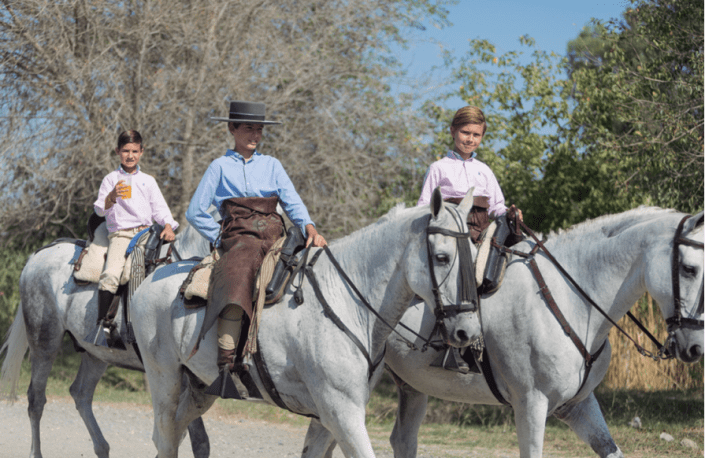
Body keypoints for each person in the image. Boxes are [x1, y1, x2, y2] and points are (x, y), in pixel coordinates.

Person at [186, 100, 326, 397]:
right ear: (232, 129)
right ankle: (226, 364)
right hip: (238, 234)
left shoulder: (272, 165)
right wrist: (219, 236)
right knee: (238, 273)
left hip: (274, 231)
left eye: (259, 128)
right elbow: (196, 211)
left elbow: (292, 202)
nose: (254, 134)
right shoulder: (219, 167)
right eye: (248, 127)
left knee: (312, 268)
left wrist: (310, 227)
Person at [86, 130, 179, 347]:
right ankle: (103, 323)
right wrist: (111, 197)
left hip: (146, 233)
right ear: (118, 152)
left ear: (141, 152)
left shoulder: (148, 181)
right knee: (112, 273)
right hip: (121, 234)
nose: (130, 155)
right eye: (126, 151)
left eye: (135, 151)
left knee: (152, 268)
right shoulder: (111, 179)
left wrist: (168, 225)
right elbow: (99, 210)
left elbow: (160, 209)